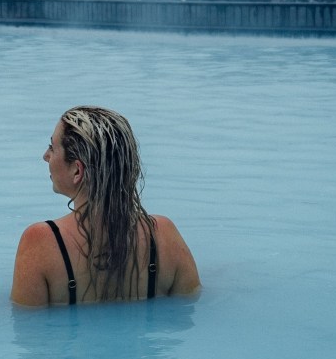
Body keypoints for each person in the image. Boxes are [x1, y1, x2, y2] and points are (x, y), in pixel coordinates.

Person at [11, 106, 200, 306]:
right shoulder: (163, 236)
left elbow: (28, 326)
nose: (45, 156)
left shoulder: (41, 243)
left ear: (77, 171)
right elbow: (191, 307)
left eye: (52, 147)